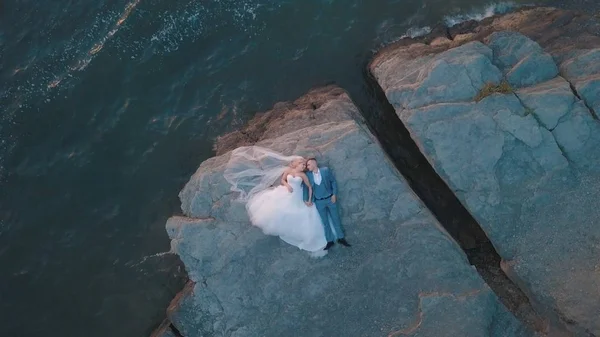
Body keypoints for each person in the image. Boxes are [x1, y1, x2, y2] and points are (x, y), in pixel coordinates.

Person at [224, 146, 327, 253]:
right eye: (302, 164)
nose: (304, 166)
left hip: (297, 195)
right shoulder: (288, 170)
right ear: (297, 164)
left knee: (299, 213)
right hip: (286, 192)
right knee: (276, 208)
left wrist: (309, 199)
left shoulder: (303, 175)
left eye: (305, 165)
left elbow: (309, 186)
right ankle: (279, 225)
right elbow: (283, 180)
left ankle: (294, 231)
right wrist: (287, 185)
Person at [303, 158, 351, 250]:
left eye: (308, 165)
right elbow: (306, 187)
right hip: (319, 202)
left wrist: (334, 194)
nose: (307, 167)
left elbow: (333, 182)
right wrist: (305, 199)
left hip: (330, 199)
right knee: (325, 222)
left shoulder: (325, 170)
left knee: (336, 219)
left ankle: (341, 238)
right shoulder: (308, 175)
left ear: (314, 163)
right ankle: (330, 241)